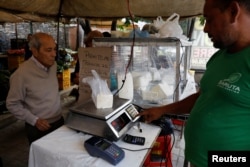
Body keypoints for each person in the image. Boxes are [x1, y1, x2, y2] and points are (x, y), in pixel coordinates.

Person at [139, 0, 250, 166]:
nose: (205, 28)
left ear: (233, 12)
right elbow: (203, 96)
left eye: (210, 19)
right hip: (196, 158)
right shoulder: (219, 57)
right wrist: (162, 110)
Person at [6, 32, 64, 144]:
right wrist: (34, 120)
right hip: (39, 128)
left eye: (54, 49)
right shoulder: (21, 74)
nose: (54, 54)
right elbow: (12, 104)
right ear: (35, 51)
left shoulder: (53, 65)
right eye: (48, 50)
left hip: (59, 121)